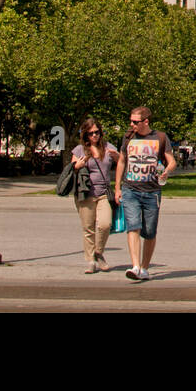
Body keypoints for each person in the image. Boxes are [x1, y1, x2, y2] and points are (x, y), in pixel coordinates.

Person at [114, 106, 177, 281]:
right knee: (133, 226)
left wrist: (166, 171)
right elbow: (121, 162)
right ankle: (135, 266)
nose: (131, 124)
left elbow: (172, 161)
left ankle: (144, 268)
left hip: (152, 191)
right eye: (131, 121)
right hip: (130, 189)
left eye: (135, 122)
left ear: (146, 121)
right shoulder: (128, 137)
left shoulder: (160, 137)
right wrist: (117, 188)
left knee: (149, 232)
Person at [72, 117, 119, 274]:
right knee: (88, 228)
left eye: (97, 132)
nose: (94, 136)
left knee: (105, 224)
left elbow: (121, 162)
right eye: (91, 133)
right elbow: (73, 168)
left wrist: (117, 157)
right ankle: (91, 260)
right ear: (85, 135)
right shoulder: (80, 150)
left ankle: (98, 252)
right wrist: (78, 165)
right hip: (85, 193)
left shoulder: (107, 147)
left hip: (104, 193)